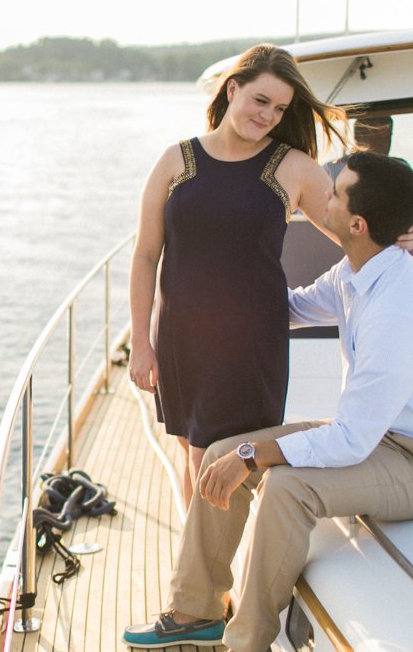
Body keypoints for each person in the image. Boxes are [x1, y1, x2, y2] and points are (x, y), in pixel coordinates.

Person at [123, 152, 413, 652]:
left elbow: (351, 441)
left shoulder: (401, 307)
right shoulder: (359, 271)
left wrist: (254, 452)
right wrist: (204, 301)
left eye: (334, 195)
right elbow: (288, 309)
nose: (320, 199)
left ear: (357, 224)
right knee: (220, 453)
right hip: (379, 437)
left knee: (286, 487)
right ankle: (196, 610)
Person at [128, 44, 355, 507]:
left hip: (248, 338)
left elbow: (353, 233)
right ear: (233, 89)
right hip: (180, 336)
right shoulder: (177, 159)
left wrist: (398, 230)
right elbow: (146, 255)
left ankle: (205, 571)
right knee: (191, 450)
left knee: (218, 459)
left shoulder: (292, 168)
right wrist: (140, 342)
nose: (269, 115)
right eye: (260, 101)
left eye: (280, 109)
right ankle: (204, 569)